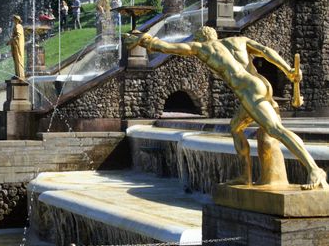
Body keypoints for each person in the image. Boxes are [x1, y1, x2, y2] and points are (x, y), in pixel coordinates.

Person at [124, 26, 328, 190]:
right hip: (261, 84)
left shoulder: (203, 48)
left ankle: (313, 169)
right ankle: (245, 176)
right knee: (235, 127)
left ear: (201, 38)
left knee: (275, 130)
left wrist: (144, 40)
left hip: (247, 90)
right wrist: (288, 70)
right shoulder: (238, 40)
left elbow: (167, 47)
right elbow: (267, 52)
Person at [7, 15, 25, 80]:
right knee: (16, 60)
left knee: (18, 59)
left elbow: (18, 36)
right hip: (15, 46)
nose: (13, 20)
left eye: (14, 19)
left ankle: (20, 75)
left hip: (18, 46)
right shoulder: (16, 26)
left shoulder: (18, 26)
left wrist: (10, 41)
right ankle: (17, 74)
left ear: (17, 20)